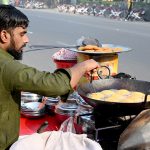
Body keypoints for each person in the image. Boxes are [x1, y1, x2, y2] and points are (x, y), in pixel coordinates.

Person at [0, 4, 100, 150]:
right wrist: (83, 66)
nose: (27, 39)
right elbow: (54, 84)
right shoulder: (6, 66)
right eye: (22, 34)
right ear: (4, 36)